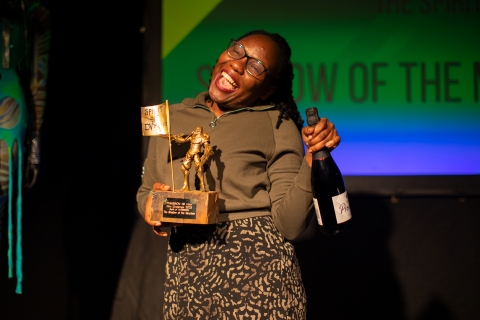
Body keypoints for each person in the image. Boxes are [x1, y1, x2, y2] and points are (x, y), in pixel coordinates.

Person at [138, 29, 341, 319]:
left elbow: (290, 225)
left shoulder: (277, 125)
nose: (237, 64)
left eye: (255, 66)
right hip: (189, 275)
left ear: (268, 90)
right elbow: (147, 189)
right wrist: (148, 206)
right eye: (237, 51)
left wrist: (312, 158)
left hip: (261, 278)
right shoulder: (170, 118)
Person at [167, 126, 214, 192]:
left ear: (201, 131)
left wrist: (207, 149)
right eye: (196, 129)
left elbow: (207, 146)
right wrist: (174, 137)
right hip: (189, 153)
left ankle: (203, 186)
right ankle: (186, 185)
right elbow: (183, 140)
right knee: (184, 168)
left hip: (196, 154)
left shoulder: (202, 138)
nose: (197, 130)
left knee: (199, 169)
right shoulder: (192, 137)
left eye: (198, 130)